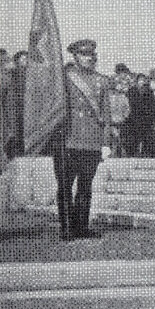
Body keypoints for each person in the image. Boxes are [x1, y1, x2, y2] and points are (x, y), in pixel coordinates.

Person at [54, 39, 112, 240]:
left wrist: (105, 143)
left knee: (85, 186)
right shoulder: (65, 78)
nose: (88, 58)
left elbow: (106, 114)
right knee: (65, 186)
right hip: (68, 139)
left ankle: (82, 226)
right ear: (75, 57)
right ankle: (67, 227)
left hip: (91, 142)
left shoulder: (102, 81)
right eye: (83, 54)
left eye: (90, 54)